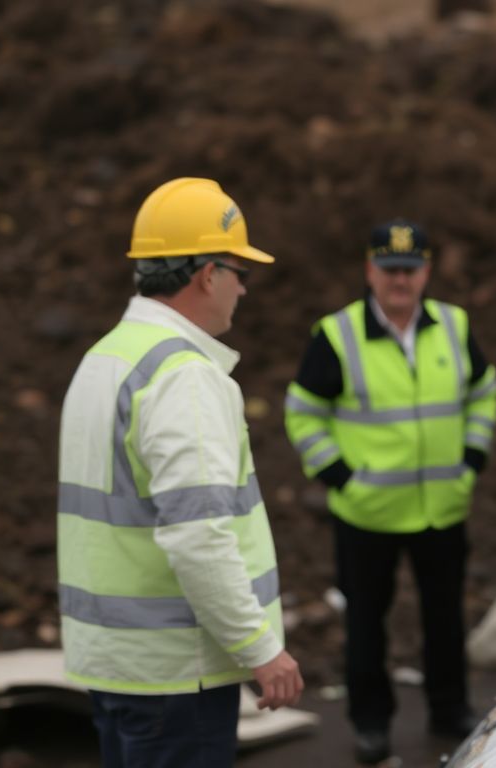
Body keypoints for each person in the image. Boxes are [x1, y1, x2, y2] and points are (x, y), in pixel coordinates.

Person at [57, 177, 304, 767]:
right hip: (176, 676)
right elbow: (198, 535)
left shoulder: (108, 357)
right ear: (206, 273)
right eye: (239, 270)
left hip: (122, 667)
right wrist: (260, 649)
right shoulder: (182, 378)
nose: (243, 288)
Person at [284, 219, 496, 764]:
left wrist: (471, 458)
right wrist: (338, 476)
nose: (399, 281)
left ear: (426, 271)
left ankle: (450, 712)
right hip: (367, 513)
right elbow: (303, 412)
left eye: (409, 269)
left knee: (445, 618)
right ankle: (370, 724)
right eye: (389, 269)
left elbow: (485, 392)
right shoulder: (337, 336)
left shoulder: (453, 326)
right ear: (369, 271)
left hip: (442, 508)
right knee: (365, 625)